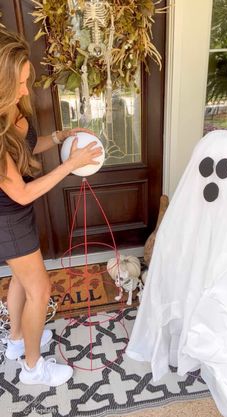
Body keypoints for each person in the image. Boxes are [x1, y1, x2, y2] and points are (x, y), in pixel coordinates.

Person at [0, 28, 103, 386]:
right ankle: (32, 368)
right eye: (21, 83)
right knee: (39, 290)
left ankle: (16, 341)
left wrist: (58, 138)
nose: (27, 90)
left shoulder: (11, 108)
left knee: (20, 279)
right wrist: (70, 165)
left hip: (16, 216)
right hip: (8, 220)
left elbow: (29, 145)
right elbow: (23, 194)